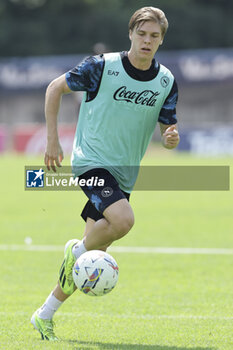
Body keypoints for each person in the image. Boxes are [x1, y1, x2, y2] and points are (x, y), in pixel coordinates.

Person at [31, 6, 180, 341]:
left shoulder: (166, 81)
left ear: (161, 41)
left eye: (154, 36)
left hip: (125, 175)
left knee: (94, 255)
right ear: (130, 33)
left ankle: (45, 314)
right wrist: (53, 141)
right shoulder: (102, 67)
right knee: (123, 221)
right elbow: (55, 87)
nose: (147, 40)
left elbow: (169, 134)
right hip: (91, 162)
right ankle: (77, 251)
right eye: (141, 34)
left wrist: (171, 138)